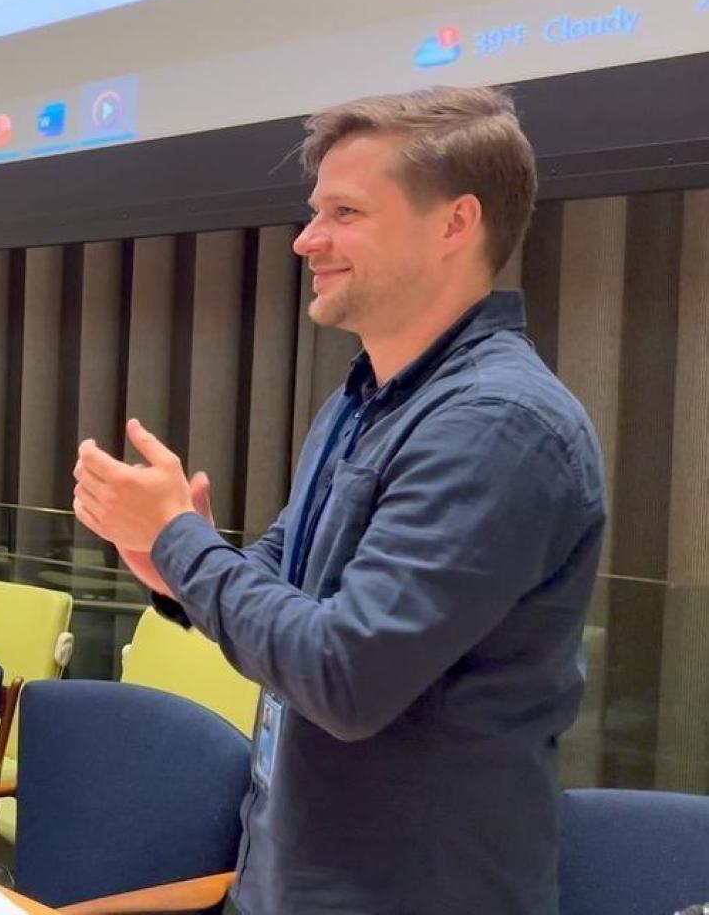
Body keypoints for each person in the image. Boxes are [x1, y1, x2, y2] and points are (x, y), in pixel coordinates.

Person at [72, 86, 605, 913]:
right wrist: (177, 566)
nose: (306, 241)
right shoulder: (363, 397)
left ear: (455, 224)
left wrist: (184, 545)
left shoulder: (498, 425)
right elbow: (285, 582)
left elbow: (343, 673)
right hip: (290, 880)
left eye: (344, 212)